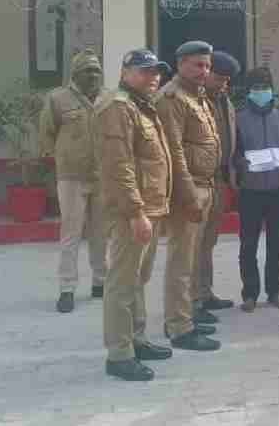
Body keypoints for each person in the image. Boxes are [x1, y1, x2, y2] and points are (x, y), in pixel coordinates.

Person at [97, 49, 173, 382]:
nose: (152, 77)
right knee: (122, 282)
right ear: (125, 73)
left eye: (156, 72)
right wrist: (135, 212)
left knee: (138, 279)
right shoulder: (117, 107)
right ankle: (119, 354)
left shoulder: (141, 105)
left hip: (149, 207)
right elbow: (119, 165)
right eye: (144, 71)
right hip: (132, 211)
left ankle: (136, 339)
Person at [155, 40, 221, 352]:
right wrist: (187, 193)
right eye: (197, 65)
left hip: (205, 184)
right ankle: (178, 327)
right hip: (189, 188)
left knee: (192, 258)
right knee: (181, 261)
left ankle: (186, 314)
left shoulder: (198, 96)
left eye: (207, 66)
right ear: (180, 64)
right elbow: (174, 151)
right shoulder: (172, 98)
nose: (203, 71)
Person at [39, 49, 109, 314]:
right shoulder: (57, 98)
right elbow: (46, 134)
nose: (93, 75)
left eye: (96, 70)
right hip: (71, 178)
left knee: (100, 234)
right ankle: (67, 288)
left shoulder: (109, 98)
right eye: (88, 71)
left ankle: (100, 282)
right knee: (71, 234)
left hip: (102, 176)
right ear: (75, 74)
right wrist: (56, 161)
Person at [234, 67, 279, 312]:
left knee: (277, 243)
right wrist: (241, 162)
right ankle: (250, 293)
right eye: (257, 88)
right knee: (248, 244)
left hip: (278, 188)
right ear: (249, 91)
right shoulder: (238, 118)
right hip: (250, 189)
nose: (262, 92)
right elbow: (234, 151)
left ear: (272, 90)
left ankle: (274, 291)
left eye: (265, 87)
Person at [196, 51, 240, 317]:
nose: (224, 84)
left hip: (219, 179)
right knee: (193, 243)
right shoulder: (194, 101)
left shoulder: (224, 100)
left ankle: (205, 292)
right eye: (219, 78)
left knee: (208, 242)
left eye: (227, 80)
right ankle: (191, 301)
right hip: (197, 180)